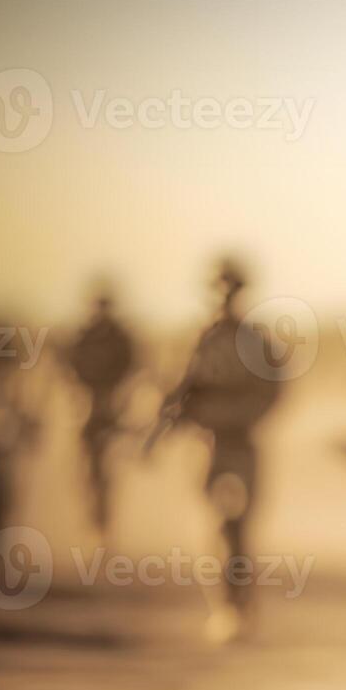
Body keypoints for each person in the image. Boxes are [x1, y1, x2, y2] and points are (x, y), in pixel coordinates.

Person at [149, 257, 281, 644]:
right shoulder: (193, 340)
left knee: (237, 526)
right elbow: (171, 392)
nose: (225, 296)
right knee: (213, 528)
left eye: (232, 288)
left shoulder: (256, 342)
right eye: (219, 288)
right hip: (204, 446)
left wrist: (227, 414)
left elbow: (270, 394)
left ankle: (241, 604)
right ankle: (225, 608)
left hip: (239, 443)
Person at [65, 282, 136, 539]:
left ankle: (103, 520)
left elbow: (131, 371)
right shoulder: (83, 336)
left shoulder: (120, 338)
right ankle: (93, 515)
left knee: (108, 467)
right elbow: (71, 371)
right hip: (88, 410)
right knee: (88, 468)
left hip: (112, 410)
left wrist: (120, 400)